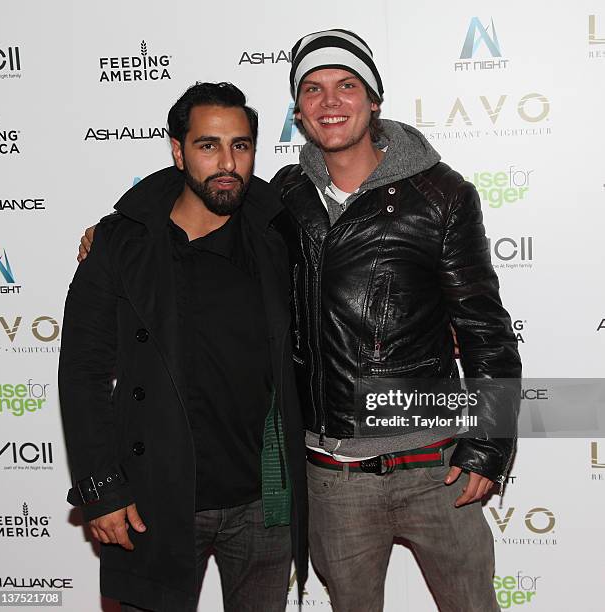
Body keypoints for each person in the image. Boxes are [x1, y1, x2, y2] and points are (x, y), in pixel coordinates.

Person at [77, 29, 521, 612]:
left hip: (435, 467)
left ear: (374, 100)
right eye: (313, 89)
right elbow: (203, 182)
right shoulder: (285, 198)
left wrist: (488, 447)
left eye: (346, 86)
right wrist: (119, 231)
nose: (330, 102)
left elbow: (487, 332)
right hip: (332, 476)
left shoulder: (442, 195)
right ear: (299, 111)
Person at [60, 82, 307, 612]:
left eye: (240, 145)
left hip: (265, 501)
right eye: (208, 145)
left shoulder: (280, 236)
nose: (227, 162)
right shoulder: (121, 245)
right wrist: (101, 487)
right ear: (178, 150)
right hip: (157, 498)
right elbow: (83, 371)